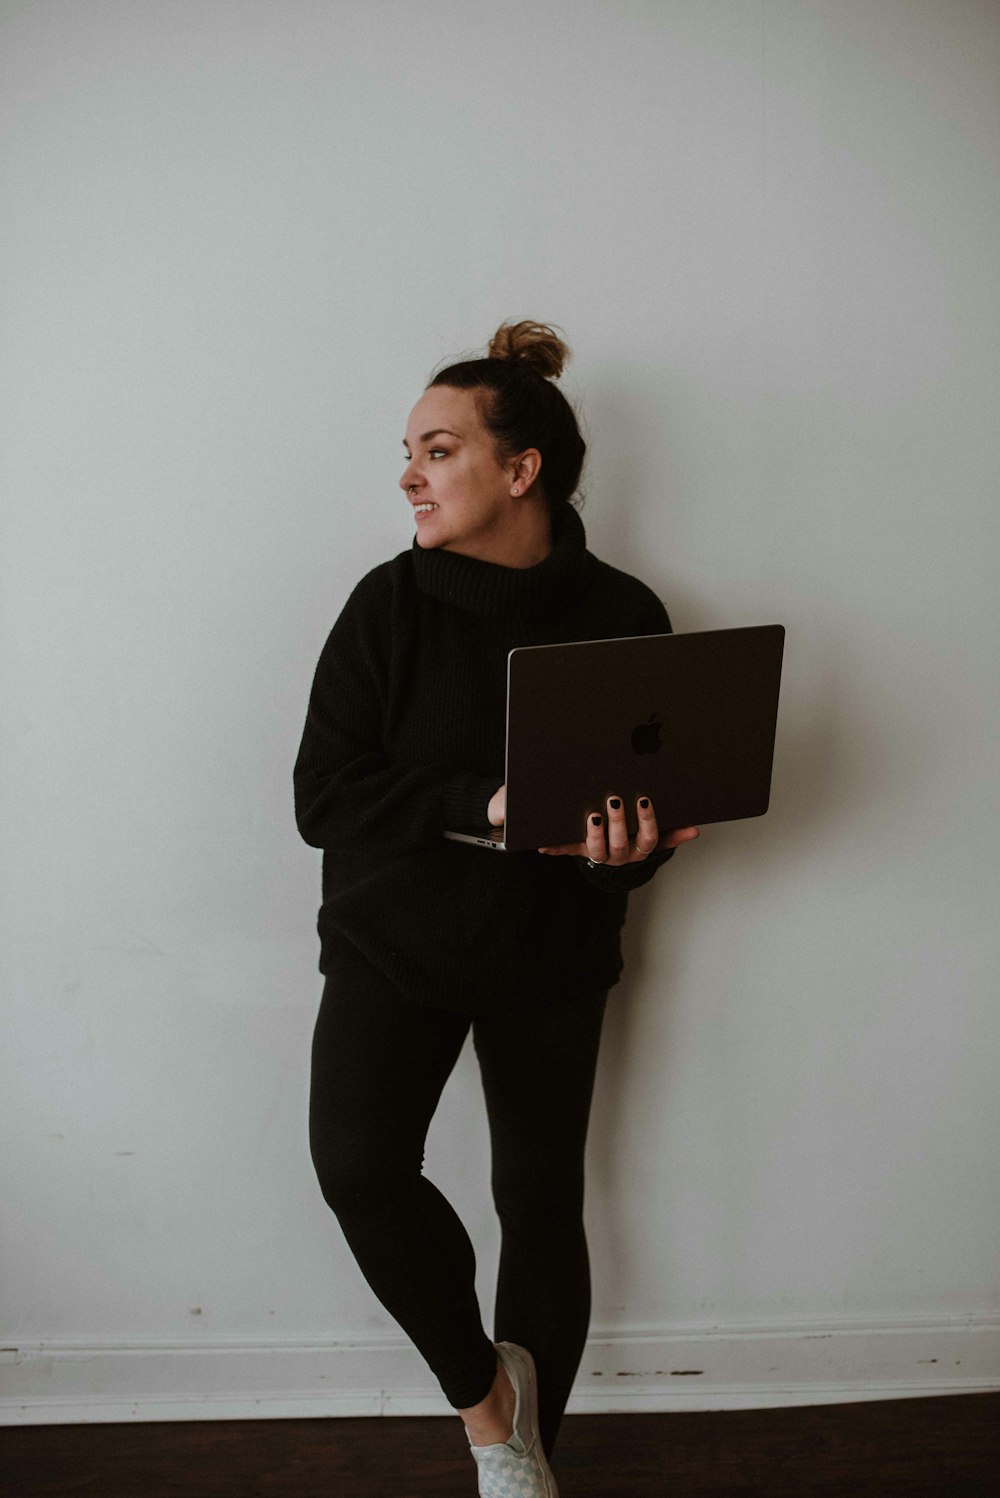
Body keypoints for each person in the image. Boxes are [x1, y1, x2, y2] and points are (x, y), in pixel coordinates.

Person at [294, 320, 699, 1497]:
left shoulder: (625, 612)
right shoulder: (385, 606)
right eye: (407, 452)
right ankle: (488, 1405)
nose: (409, 474)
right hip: (390, 941)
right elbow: (325, 797)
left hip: (548, 952)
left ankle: (524, 1469)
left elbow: (638, 838)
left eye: (438, 449)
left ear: (521, 470)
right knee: (359, 1166)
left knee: (539, 1199)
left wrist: (627, 854)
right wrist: (487, 799)